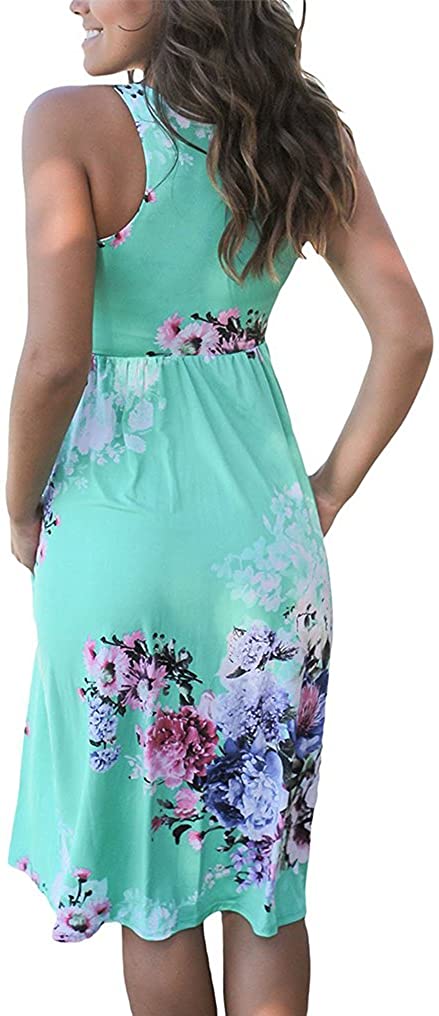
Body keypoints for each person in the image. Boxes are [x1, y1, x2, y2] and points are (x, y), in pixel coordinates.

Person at [5, 2, 433, 1015]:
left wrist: (17, 503)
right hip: (265, 548)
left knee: (157, 895)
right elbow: (407, 334)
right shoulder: (299, 133)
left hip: (116, 534)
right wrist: (326, 489)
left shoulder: (67, 123)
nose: (74, 1)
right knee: (263, 882)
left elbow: (58, 360)